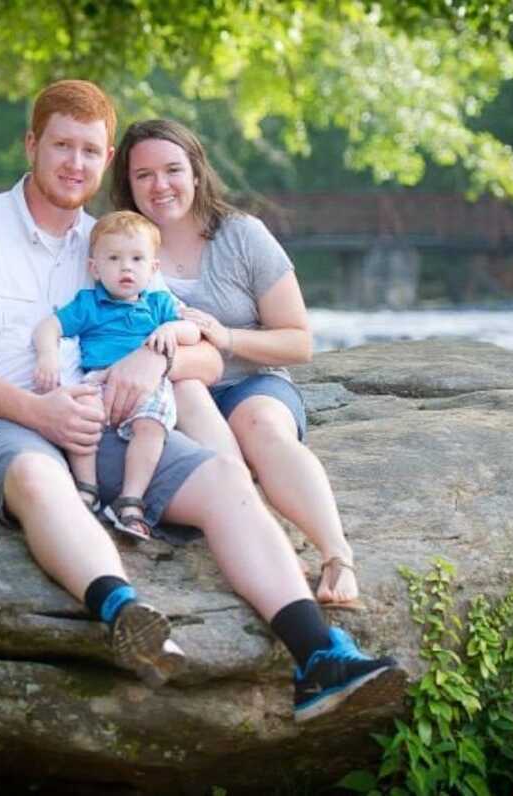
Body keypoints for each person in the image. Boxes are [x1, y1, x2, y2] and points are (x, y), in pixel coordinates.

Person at [0, 79, 402, 721]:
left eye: (89, 150)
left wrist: (154, 360)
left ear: (105, 158)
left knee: (224, 477)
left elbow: (199, 346)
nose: (74, 163)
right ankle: (122, 608)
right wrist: (36, 411)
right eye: (61, 145)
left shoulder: (116, 242)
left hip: (106, 420)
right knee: (37, 471)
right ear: (31, 145)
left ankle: (318, 656)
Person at [111, 118, 364, 611]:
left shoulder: (242, 235)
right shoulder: (118, 244)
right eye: (144, 175)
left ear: (197, 173)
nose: (160, 185)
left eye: (172, 170)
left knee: (262, 427)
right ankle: (267, 543)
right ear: (128, 184)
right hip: (172, 396)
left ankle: (337, 556)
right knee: (193, 438)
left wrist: (226, 338)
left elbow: (299, 342)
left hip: (251, 383)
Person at [33, 210, 200, 540]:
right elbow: (49, 326)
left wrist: (172, 329)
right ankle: (86, 488)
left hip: (148, 386)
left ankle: (131, 498)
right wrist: (48, 355)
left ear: (153, 269)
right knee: (82, 417)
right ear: (94, 268)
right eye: (114, 258)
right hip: (98, 379)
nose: (126, 267)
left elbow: (193, 331)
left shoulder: (158, 304)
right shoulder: (89, 304)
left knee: (151, 426)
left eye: (137, 259)